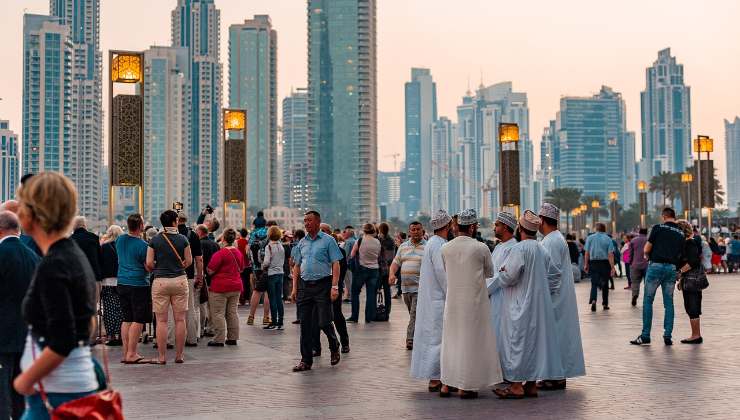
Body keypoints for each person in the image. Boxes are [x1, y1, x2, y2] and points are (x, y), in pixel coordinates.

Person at [13, 173, 100, 416]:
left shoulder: (55, 263)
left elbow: (62, 339)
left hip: (55, 394)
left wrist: (23, 382)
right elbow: (87, 321)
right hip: (67, 387)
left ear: (33, 214)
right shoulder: (71, 254)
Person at [489, 210, 563, 399]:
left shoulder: (519, 249)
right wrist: (545, 292)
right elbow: (555, 275)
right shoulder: (542, 249)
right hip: (538, 307)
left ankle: (515, 386)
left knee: (517, 343)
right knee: (533, 344)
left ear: (520, 228)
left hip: (519, 304)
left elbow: (509, 277)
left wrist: (503, 271)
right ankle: (530, 385)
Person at [440, 209, 502, 399]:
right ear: (473, 227)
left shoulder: (445, 248)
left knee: (453, 340)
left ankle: (447, 383)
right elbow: (490, 272)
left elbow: (447, 270)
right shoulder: (480, 247)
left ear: (456, 227)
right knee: (472, 342)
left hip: (453, 301)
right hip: (474, 302)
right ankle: (466, 386)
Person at [537, 204, 586, 390]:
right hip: (558, 297)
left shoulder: (551, 241)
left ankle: (556, 375)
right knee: (557, 336)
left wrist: (545, 297)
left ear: (542, 220)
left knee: (555, 337)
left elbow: (553, 273)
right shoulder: (555, 239)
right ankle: (555, 375)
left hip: (554, 299)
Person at [290, 211, 343, 372]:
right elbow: (297, 265)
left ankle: (334, 345)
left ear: (318, 222)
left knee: (324, 321)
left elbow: (336, 264)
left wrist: (335, 287)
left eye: (310, 220)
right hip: (305, 286)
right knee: (305, 324)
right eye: (305, 220)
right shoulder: (302, 243)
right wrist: (294, 288)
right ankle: (305, 360)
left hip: (323, 285)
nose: (306, 223)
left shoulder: (328, 241)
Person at [0, 211, 40, 420]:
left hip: (3, 333)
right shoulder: (33, 257)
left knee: (2, 388)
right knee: (19, 387)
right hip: (26, 333)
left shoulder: (1, 254)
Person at [410, 210, 452, 394]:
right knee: (437, 339)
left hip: (432, 298)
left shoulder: (434, 243)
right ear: (447, 226)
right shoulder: (439, 245)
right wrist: (453, 294)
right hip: (438, 299)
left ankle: (437, 377)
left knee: (434, 338)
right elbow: (443, 274)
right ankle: (436, 378)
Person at [630, 207, 685, 346]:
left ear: (664, 216)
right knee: (669, 303)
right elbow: (680, 254)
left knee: (648, 300)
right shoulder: (680, 233)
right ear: (674, 216)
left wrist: (647, 256)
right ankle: (667, 335)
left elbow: (647, 248)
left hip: (656, 266)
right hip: (671, 268)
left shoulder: (658, 227)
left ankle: (645, 335)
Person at [147, 210, 193, 364]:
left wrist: (159, 267)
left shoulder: (155, 240)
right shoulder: (183, 239)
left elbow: (149, 263)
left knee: (161, 321)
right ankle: (179, 355)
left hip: (160, 281)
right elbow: (189, 261)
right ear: (175, 221)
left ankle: (161, 356)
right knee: (180, 320)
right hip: (180, 279)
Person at [116, 213, 152, 364]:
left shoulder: (120, 240)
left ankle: (126, 353)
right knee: (138, 320)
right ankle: (132, 353)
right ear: (141, 226)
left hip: (122, 282)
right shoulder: (143, 245)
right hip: (138, 284)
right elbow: (148, 266)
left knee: (127, 318)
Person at [312, 226, 350, 355]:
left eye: (323, 231)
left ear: (330, 234)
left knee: (336, 315)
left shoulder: (339, 251)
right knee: (316, 317)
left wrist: (335, 286)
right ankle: (316, 347)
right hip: (317, 288)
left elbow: (341, 271)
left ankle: (344, 343)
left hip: (333, 287)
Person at [389, 222, 426, 350]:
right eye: (413, 230)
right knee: (413, 315)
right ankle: (421, 335)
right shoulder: (403, 247)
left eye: (418, 229)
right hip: (405, 289)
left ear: (423, 231)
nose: (415, 232)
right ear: (409, 232)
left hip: (420, 289)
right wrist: (391, 274)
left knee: (414, 314)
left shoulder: (427, 247)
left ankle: (410, 339)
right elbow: (395, 263)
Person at [487, 211, 518, 365]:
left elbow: (502, 275)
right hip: (494, 297)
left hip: (504, 297)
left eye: (497, 225)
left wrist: (484, 291)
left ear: (505, 227)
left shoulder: (513, 247)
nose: (494, 228)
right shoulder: (499, 246)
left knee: (503, 334)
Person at [206, 228, 244, 346]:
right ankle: (233, 338)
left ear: (223, 239)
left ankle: (219, 339)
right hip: (236, 285)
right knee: (232, 312)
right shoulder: (238, 253)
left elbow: (210, 270)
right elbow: (242, 268)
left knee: (218, 313)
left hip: (220, 287)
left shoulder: (220, 253)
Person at [675, 220, 705, 344]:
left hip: (692, 280)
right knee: (691, 306)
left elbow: (693, 261)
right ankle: (695, 334)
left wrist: (680, 272)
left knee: (692, 306)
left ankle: (696, 335)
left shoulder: (689, 243)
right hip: (689, 280)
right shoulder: (687, 243)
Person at [176, 213, 204, 346]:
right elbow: (199, 259)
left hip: (171, 275)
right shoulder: (193, 235)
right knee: (190, 308)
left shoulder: (167, 234)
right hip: (188, 276)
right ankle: (192, 338)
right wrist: (200, 275)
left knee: (171, 310)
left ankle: (170, 340)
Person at [348, 223, 381, 323]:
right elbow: (378, 255)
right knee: (371, 294)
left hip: (361, 269)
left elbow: (352, 255)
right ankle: (369, 317)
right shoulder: (377, 242)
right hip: (374, 269)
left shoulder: (360, 240)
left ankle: (354, 316)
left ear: (364, 230)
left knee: (355, 293)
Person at [99, 225, 124, 346]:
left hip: (107, 281)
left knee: (109, 309)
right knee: (120, 309)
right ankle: (121, 335)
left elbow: (101, 263)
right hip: (121, 281)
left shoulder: (104, 247)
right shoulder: (122, 247)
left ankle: (112, 335)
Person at [583, 223, 616, 311]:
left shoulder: (590, 238)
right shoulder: (608, 239)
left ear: (596, 229)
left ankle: (593, 300)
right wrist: (612, 267)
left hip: (593, 263)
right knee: (605, 283)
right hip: (605, 263)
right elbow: (610, 254)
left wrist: (586, 264)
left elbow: (587, 253)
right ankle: (605, 304)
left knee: (594, 283)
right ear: (604, 229)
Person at [197, 224, 220, 337]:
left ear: (200, 233)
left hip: (203, 277)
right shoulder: (215, 244)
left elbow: (200, 261)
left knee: (201, 305)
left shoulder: (199, 244)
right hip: (214, 278)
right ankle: (211, 327)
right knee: (212, 306)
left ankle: (200, 329)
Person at [262, 226, 286, 330]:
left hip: (271, 274)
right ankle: (280, 321)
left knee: (272, 298)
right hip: (280, 273)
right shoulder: (281, 246)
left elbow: (267, 261)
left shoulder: (269, 247)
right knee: (279, 298)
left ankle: (274, 321)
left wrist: (263, 265)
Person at [70, 216, 103, 282]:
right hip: (93, 275)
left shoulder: (70, 239)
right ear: (84, 225)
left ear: (74, 226)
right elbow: (100, 257)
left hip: (76, 276)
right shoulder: (94, 237)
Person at [377, 222, 397, 317]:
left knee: (376, 290)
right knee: (387, 291)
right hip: (388, 269)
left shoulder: (378, 240)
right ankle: (387, 311)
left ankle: (375, 310)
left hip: (380, 269)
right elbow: (391, 256)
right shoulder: (391, 240)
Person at [629, 228, 649, 306]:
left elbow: (630, 253)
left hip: (635, 264)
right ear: (646, 233)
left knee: (635, 282)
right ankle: (647, 298)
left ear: (639, 232)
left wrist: (630, 262)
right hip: (647, 264)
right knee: (647, 283)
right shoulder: (649, 240)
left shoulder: (633, 240)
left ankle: (635, 295)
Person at [342, 226, 357, 302]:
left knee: (348, 281)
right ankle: (351, 296)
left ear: (348, 234)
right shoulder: (355, 240)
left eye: (345, 232)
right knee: (352, 280)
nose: (344, 234)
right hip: (354, 264)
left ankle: (350, 296)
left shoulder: (348, 242)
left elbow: (345, 253)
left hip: (348, 264)